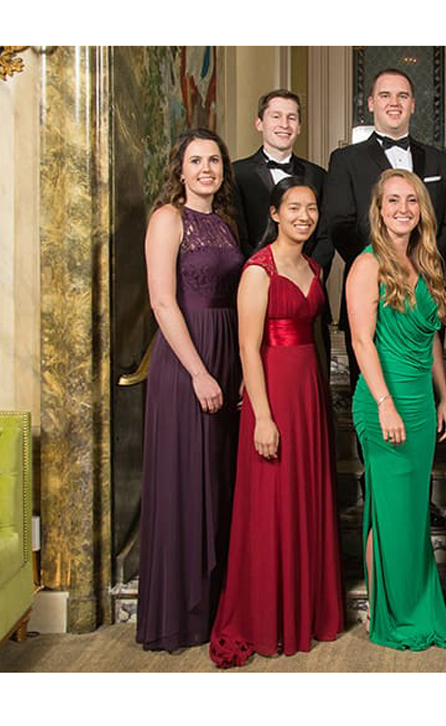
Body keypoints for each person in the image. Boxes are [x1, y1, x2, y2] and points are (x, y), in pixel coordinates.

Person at [209, 179, 343, 666]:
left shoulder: (312, 266)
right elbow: (248, 346)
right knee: (271, 503)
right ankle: (267, 616)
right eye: (294, 208)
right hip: (274, 397)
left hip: (307, 391)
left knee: (305, 497)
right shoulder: (257, 270)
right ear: (275, 212)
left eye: (310, 208)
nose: (304, 216)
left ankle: (304, 612)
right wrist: (263, 416)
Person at [345, 168, 446, 651]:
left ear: (421, 210)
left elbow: (431, 336)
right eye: (392, 200)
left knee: (411, 513)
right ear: (379, 209)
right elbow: (360, 342)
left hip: (419, 403)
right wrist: (385, 404)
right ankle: (388, 614)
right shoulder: (366, 265)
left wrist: (445, 395)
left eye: (411, 200)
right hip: (382, 402)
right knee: (387, 513)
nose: (402, 209)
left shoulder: (427, 262)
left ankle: (412, 602)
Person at [137, 128, 244, 652]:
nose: (206, 168)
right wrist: (199, 371)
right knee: (187, 480)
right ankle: (180, 616)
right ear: (178, 168)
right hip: (187, 361)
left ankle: (213, 600)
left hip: (225, 351)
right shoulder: (167, 219)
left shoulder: (223, 225)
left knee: (218, 481)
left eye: (214, 160)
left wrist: (239, 364)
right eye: (195, 160)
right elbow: (162, 301)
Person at [325, 68, 446, 390]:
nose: (394, 102)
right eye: (385, 95)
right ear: (371, 103)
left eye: (402, 95)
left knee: (424, 395)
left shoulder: (439, 161)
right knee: (373, 395)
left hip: (424, 294)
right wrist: (383, 268)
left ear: (413, 104)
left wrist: (423, 268)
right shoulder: (345, 160)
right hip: (372, 294)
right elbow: (340, 224)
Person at [231, 89, 331, 271]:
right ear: (259, 123)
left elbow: (326, 237)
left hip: (306, 279)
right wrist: (261, 271)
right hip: (255, 279)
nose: (284, 124)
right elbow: (236, 236)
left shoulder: (318, 176)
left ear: (299, 127)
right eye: (276, 116)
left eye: (291, 118)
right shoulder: (236, 174)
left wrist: (309, 272)